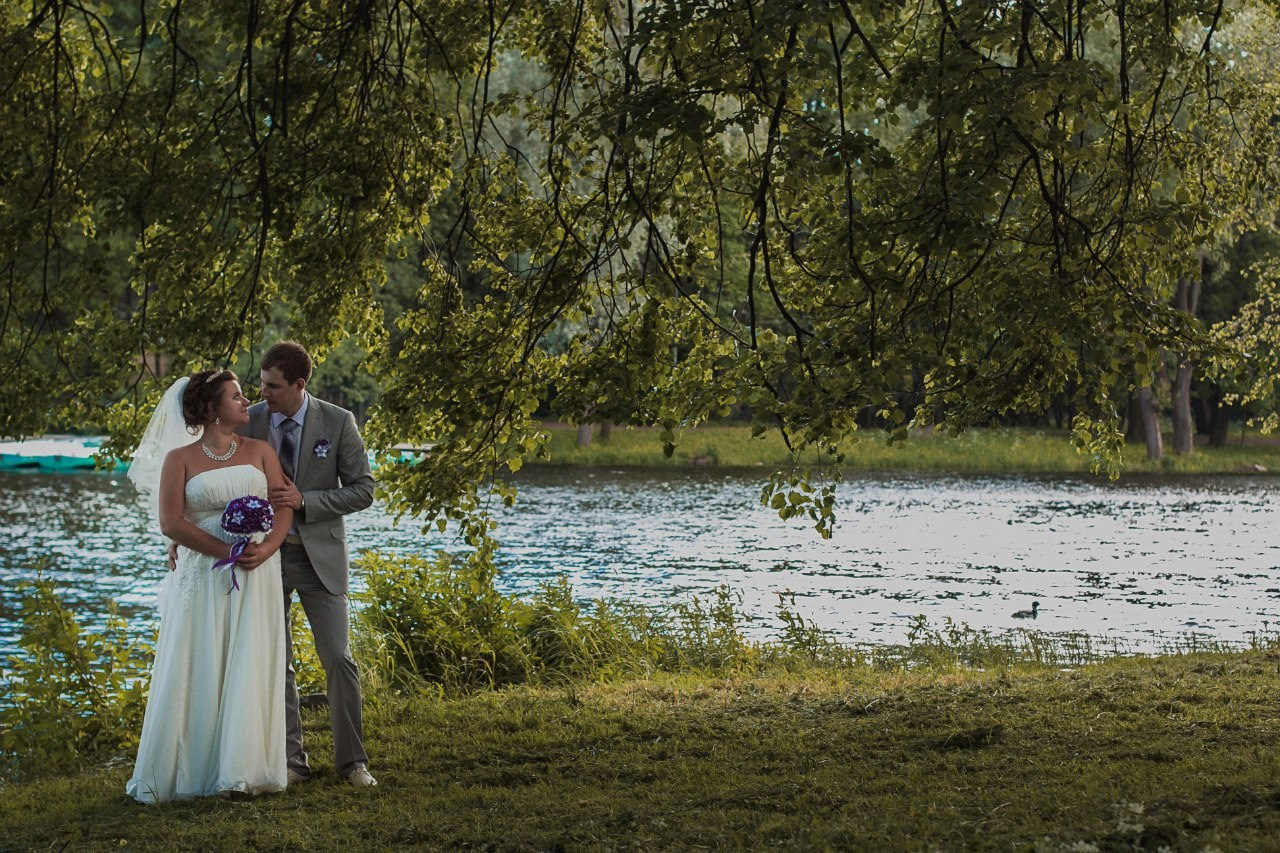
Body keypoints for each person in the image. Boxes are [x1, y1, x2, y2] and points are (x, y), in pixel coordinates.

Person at [125, 370, 292, 803]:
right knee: (200, 659)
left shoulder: (260, 451)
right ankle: (191, 770)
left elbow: (283, 502)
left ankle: (245, 767)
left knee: (249, 657)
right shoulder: (179, 459)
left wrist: (268, 547)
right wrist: (224, 551)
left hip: (257, 574)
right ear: (213, 409)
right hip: (205, 572)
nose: (246, 402)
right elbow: (171, 522)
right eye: (236, 396)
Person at [239, 341, 378, 787]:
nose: (263, 393)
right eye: (261, 383)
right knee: (277, 661)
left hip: (321, 557)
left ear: (300, 385)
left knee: (338, 658)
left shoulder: (338, 422)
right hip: (264, 556)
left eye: (273, 386)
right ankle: (292, 761)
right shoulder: (251, 421)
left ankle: (353, 763)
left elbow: (364, 489)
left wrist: (307, 500)